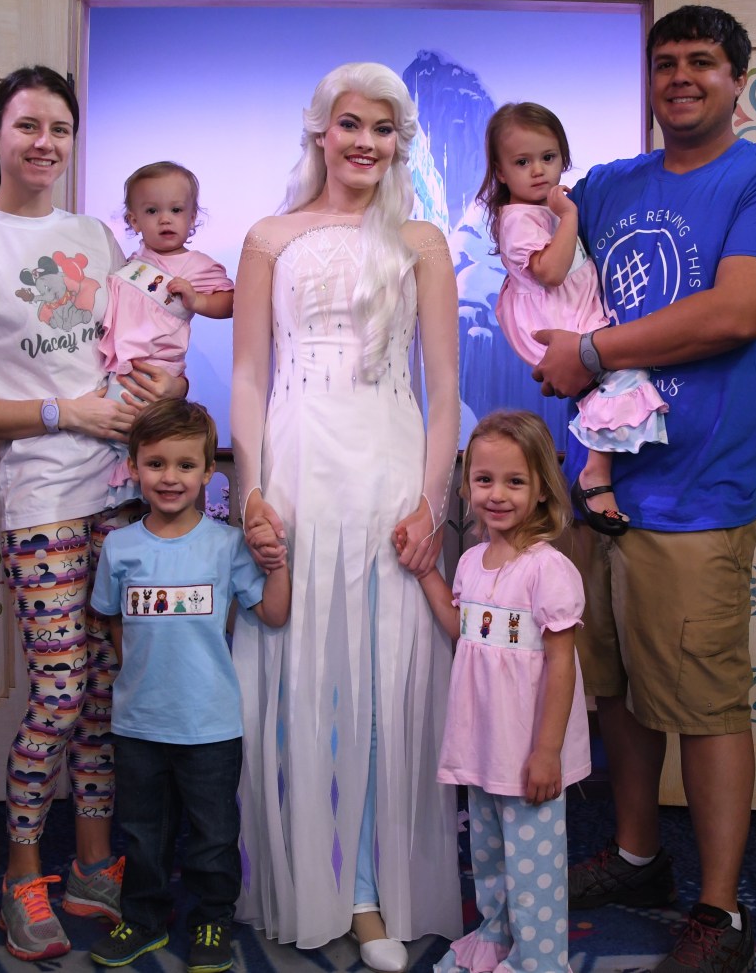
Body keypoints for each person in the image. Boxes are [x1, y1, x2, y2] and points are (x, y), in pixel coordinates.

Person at [529, 6, 756, 973]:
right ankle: (637, 857)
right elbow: (532, 214)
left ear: (739, 79)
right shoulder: (612, 184)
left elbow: (737, 311)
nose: (681, 77)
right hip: (598, 485)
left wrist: (588, 351)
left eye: (702, 62)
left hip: (699, 489)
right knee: (614, 690)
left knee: (702, 701)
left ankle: (719, 908)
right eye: (665, 63)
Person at [0, 66, 187, 963]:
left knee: (105, 692)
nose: (44, 142)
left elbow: (136, 347)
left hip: (122, 493)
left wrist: (155, 387)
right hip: (44, 502)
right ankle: (22, 873)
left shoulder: (96, 235)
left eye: (59, 127)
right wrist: (66, 412)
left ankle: (94, 867)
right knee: (59, 690)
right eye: (27, 125)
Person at [230, 61, 463, 970]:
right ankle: (309, 874)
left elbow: (445, 389)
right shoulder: (269, 236)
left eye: (384, 128)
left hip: (388, 465)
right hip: (297, 461)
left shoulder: (422, 241)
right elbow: (249, 374)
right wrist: (251, 488)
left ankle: (367, 885)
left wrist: (432, 501)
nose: (366, 141)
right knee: (300, 671)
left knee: (380, 676)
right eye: (352, 124)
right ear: (320, 132)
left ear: (400, 143)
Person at [87, 399, 290, 969]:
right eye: (156, 464)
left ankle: (211, 920)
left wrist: (279, 565)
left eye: (185, 465)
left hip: (209, 726)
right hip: (138, 724)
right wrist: (139, 680)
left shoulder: (227, 546)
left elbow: (273, 614)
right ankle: (144, 918)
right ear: (133, 467)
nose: (170, 477)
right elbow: (113, 621)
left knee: (213, 834)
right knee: (143, 833)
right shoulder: (120, 548)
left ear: (207, 473)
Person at [404, 410, 591, 973]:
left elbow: (561, 666)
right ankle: (496, 936)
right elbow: (462, 630)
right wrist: (426, 574)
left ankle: (539, 960)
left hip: (530, 747)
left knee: (534, 866)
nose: (498, 494)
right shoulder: (470, 563)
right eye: (485, 479)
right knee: (488, 854)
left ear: (541, 489)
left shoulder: (548, 570)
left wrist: (547, 751)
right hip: (484, 741)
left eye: (515, 481)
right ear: (468, 485)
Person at [477, 103, 668, 535]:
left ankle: (598, 469)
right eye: (522, 162)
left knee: (614, 375)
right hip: (555, 320)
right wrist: (568, 217)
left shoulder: (542, 207)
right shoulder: (519, 219)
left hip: (570, 311)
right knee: (622, 372)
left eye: (548, 157)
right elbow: (551, 271)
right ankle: (594, 476)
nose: (538, 170)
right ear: (501, 172)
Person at [98, 161, 235, 506]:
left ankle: (136, 502)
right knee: (114, 434)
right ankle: (123, 498)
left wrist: (197, 299)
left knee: (141, 436)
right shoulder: (132, 262)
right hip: (120, 368)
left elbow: (230, 302)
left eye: (176, 210)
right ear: (133, 221)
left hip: (157, 369)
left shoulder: (196, 265)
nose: (165, 219)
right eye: (152, 211)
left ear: (192, 217)